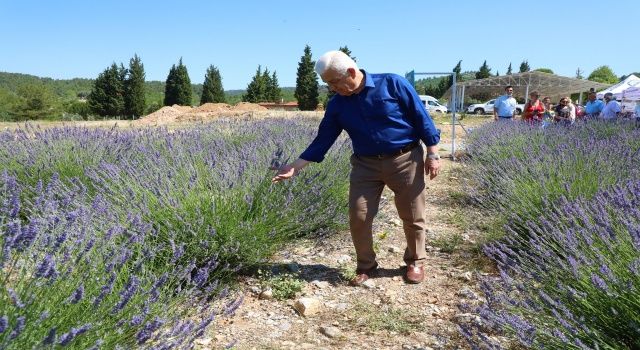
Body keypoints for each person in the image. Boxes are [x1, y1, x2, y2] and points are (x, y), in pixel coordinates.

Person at [271, 51, 441, 285]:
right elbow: (324, 139)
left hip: (405, 159)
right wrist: (296, 166)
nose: (332, 88)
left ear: (351, 72)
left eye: (334, 82)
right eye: (328, 83)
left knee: (412, 214)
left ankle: (415, 262)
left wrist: (432, 153)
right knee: (358, 216)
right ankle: (366, 266)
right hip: (365, 164)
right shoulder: (338, 104)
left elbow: (421, 118)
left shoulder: (392, 83)